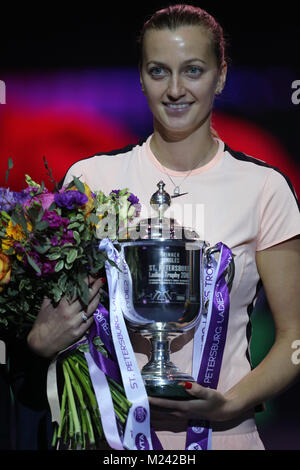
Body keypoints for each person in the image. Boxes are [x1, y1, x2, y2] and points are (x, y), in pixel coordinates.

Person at [24, 4, 300, 450]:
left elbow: (295, 337)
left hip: (224, 437)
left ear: (221, 76)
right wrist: (37, 344)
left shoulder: (264, 188)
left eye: (193, 70)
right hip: (109, 439)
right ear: (140, 76)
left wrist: (230, 404)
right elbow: (51, 318)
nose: (175, 89)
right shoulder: (91, 180)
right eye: (158, 71)